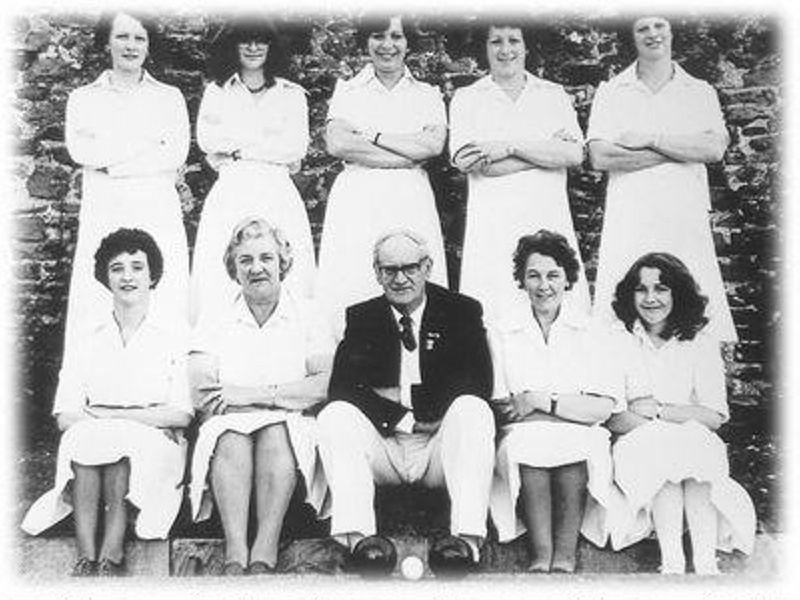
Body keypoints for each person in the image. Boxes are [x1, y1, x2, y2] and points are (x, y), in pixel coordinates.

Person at [316, 229, 494, 577]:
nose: (400, 278)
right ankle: (362, 543)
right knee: (335, 416)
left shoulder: (461, 311)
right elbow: (343, 389)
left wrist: (404, 397)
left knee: (474, 411)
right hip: (386, 444)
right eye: (389, 270)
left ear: (427, 267)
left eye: (410, 268)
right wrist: (402, 416)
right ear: (377, 273)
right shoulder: (362, 316)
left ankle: (464, 542)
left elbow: (477, 383)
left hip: (438, 446)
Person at [21, 228, 193, 577]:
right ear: (105, 277)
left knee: (117, 443)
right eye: (117, 268)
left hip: (154, 442)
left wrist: (109, 415)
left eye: (137, 267)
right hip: (97, 433)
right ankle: (87, 556)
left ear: (152, 275)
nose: (127, 276)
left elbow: (182, 413)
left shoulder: (172, 334)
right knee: (83, 440)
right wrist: (114, 421)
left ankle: (111, 553)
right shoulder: (87, 336)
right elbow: (65, 416)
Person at [188, 217, 333, 575]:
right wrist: (284, 394)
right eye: (246, 260)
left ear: (283, 262)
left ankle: (265, 548)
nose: (257, 268)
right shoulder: (217, 314)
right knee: (232, 435)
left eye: (266, 258)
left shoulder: (309, 313)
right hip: (229, 421)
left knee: (275, 433)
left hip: (288, 423)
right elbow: (203, 391)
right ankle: (236, 552)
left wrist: (254, 396)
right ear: (233, 268)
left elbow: (325, 384)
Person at [587, 15, 737, 342]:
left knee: (689, 296)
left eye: (659, 26)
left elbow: (712, 149)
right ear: (632, 35)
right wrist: (681, 149)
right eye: (642, 28)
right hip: (630, 213)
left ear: (671, 32)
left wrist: (650, 138)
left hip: (683, 212)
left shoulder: (698, 91)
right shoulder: (612, 92)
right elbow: (600, 156)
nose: (652, 34)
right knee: (625, 303)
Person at [605, 252, 755, 574]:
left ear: (678, 293)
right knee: (662, 446)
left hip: (692, 441)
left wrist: (659, 410)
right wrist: (677, 416)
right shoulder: (618, 340)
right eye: (641, 290)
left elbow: (714, 416)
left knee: (695, 445)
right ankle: (671, 560)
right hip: (637, 443)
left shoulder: (700, 342)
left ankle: (704, 561)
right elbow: (615, 417)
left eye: (661, 289)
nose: (650, 299)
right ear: (630, 295)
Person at [62, 10, 191, 362]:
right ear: (107, 42)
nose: (130, 46)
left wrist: (112, 163)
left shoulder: (169, 97)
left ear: (149, 46)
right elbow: (81, 150)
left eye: (139, 38)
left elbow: (175, 152)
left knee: (162, 285)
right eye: (122, 37)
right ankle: (95, 381)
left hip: (156, 207)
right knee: (101, 286)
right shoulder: (83, 97)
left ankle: (167, 381)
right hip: (105, 206)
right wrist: (147, 146)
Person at [488, 230, 617, 573]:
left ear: (568, 279)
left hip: (581, 433)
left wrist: (539, 400)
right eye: (533, 275)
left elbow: (603, 408)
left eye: (553, 275)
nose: (543, 285)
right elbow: (503, 406)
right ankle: (540, 555)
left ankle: (565, 554)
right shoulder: (502, 332)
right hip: (521, 433)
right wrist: (573, 410)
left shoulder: (590, 332)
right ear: (522, 280)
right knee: (530, 445)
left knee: (577, 446)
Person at [449, 19, 589, 324]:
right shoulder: (468, 98)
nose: (505, 50)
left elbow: (573, 153)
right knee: (493, 310)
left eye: (514, 40)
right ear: (485, 48)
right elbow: (468, 162)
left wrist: (508, 148)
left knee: (556, 308)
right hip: (493, 223)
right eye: (496, 41)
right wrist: (545, 151)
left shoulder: (552, 95)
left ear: (526, 47)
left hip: (546, 216)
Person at [316, 14, 448, 334]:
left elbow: (431, 146)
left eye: (396, 37)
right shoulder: (348, 90)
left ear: (407, 43)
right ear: (366, 41)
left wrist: (372, 137)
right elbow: (337, 143)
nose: (387, 45)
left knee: (410, 275)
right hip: (358, 198)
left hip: (410, 197)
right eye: (378, 36)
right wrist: (405, 153)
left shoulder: (427, 93)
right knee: (355, 278)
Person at [191, 17, 315, 326]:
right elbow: (208, 141)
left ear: (271, 47)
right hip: (231, 190)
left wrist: (239, 149)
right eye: (245, 40)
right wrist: (267, 145)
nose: (253, 47)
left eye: (261, 40)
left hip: (277, 190)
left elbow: (295, 148)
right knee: (222, 271)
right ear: (234, 47)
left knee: (286, 271)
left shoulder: (291, 93)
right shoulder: (217, 91)